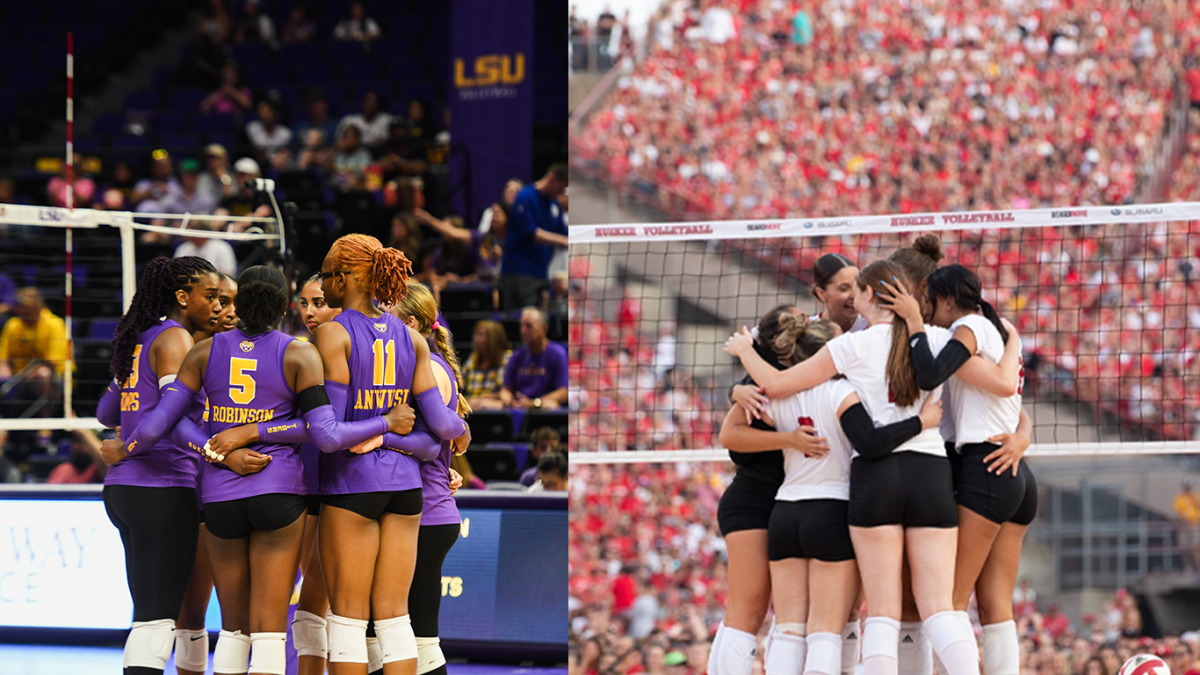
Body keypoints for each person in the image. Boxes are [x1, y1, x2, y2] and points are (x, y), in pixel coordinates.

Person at [723, 260, 1021, 675]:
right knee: (939, 608)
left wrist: (742, 357)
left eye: (856, 290)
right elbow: (1003, 387)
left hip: (872, 477)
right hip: (930, 472)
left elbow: (774, 387)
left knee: (882, 611)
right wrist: (1014, 347)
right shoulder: (934, 336)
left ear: (868, 296)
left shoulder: (848, 349)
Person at [234, 234, 467, 674]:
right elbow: (438, 433)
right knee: (396, 620)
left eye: (326, 274)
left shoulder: (332, 334)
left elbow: (327, 434)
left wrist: (376, 429)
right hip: (406, 491)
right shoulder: (413, 339)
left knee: (347, 621)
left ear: (344, 277)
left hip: (351, 486)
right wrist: (460, 428)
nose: (323, 284)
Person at [722, 314, 940, 675]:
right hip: (831, 511)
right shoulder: (842, 392)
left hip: (786, 513)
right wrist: (922, 422)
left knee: (789, 628)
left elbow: (730, 433)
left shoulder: (779, 396)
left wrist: (737, 392)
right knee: (825, 631)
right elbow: (871, 441)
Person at [880, 264, 1033, 675]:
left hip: (987, 466)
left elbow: (933, 370)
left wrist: (913, 321)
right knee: (995, 606)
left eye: (931, 303)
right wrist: (1026, 432)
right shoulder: (998, 329)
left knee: (946, 603)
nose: (927, 310)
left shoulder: (967, 326)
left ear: (948, 300)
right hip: (1013, 469)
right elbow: (1005, 394)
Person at [94, 256, 222, 674]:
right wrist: (129, 446)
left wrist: (125, 433)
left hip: (123, 492)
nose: (217, 304)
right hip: (161, 485)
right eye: (210, 296)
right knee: (158, 619)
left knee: (148, 613)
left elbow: (104, 410)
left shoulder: (140, 337)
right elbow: (171, 419)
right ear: (183, 297)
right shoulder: (174, 340)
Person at [712, 305, 846, 675]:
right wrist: (788, 438)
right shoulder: (763, 386)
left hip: (789, 504)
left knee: (790, 619)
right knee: (747, 611)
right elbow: (730, 436)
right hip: (753, 501)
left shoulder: (786, 380)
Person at [385, 280, 471, 675]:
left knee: (416, 634)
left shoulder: (430, 369)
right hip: (425, 509)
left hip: (427, 515)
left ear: (414, 324)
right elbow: (450, 437)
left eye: (387, 316)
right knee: (403, 632)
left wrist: (378, 435)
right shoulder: (423, 366)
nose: (379, 325)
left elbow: (441, 437)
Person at [176, 272, 236, 675]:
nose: (224, 310)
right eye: (217, 299)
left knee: (243, 613)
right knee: (190, 610)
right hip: (190, 487)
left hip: (240, 487)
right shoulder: (179, 352)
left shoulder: (262, 352)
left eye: (232, 301)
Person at [292, 274, 342, 675]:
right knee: (312, 605)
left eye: (320, 302)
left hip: (344, 488)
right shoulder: (298, 353)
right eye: (305, 302)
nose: (310, 311)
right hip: (306, 487)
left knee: (343, 606)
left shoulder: (347, 352)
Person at [500, 164, 569, 309]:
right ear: (552, 179)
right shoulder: (525, 197)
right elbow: (532, 232)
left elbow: (564, 232)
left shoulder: (554, 204)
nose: (561, 193)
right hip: (519, 273)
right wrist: (564, 241)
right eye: (561, 188)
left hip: (541, 275)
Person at [0, 288, 73, 417]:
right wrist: (5, 373)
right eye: (18, 306)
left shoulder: (54, 324)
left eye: (23, 307)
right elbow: (3, 358)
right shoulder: (13, 324)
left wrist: (23, 377)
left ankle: (45, 425)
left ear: (36, 307)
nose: (19, 310)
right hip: (17, 377)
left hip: (53, 378)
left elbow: (52, 363)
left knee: (43, 374)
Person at [500, 307, 568, 409]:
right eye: (522, 325)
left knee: (551, 405)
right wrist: (508, 400)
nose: (523, 330)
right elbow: (506, 389)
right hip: (519, 406)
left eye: (529, 326)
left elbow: (564, 392)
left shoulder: (557, 354)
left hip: (542, 406)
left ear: (544, 328)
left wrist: (535, 403)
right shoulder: (517, 355)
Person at [461, 319, 510, 408]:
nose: (475, 338)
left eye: (480, 335)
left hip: (496, 406)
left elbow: (509, 392)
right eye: (475, 334)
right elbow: (460, 388)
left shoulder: (507, 359)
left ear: (493, 338)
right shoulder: (472, 360)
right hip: (471, 405)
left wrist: (484, 398)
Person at [173, 222, 238, 277]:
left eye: (193, 230)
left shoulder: (222, 247)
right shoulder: (183, 248)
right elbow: (176, 270)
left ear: (202, 230)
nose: (189, 233)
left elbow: (227, 273)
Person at [1175, 478, 1200, 570]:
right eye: (1186, 486)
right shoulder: (1180, 498)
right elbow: (1178, 512)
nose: (1188, 488)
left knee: (1195, 548)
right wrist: (1181, 523)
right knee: (1184, 548)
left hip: (1194, 525)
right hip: (1184, 526)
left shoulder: (1196, 497)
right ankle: (1188, 567)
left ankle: (1197, 568)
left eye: (1190, 486)